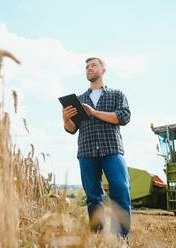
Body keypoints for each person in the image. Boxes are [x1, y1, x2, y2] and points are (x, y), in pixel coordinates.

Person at [62, 57, 131, 238]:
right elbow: (71, 129)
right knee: (93, 198)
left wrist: (94, 112)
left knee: (120, 192)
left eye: (93, 65)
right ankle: (97, 239)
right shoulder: (78, 100)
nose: (89, 68)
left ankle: (121, 239)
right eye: (86, 67)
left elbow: (122, 117)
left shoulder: (116, 94)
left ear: (103, 69)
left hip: (112, 150)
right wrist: (65, 119)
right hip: (86, 152)